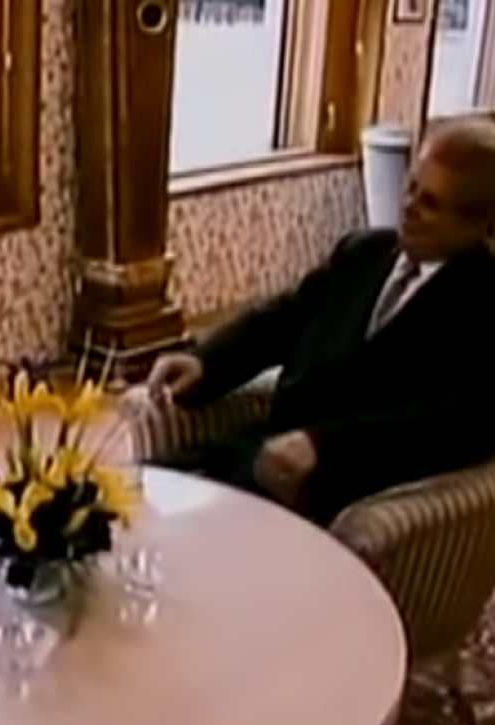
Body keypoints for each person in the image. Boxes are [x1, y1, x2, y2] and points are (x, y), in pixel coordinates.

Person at [145, 118, 495, 526]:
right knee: (125, 497)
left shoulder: (483, 305)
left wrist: (323, 445)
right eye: (411, 186)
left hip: (341, 488)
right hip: (261, 447)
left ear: (477, 224)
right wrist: (207, 361)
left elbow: (448, 425)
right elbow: (284, 319)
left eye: (430, 203)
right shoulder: (363, 251)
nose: (408, 207)